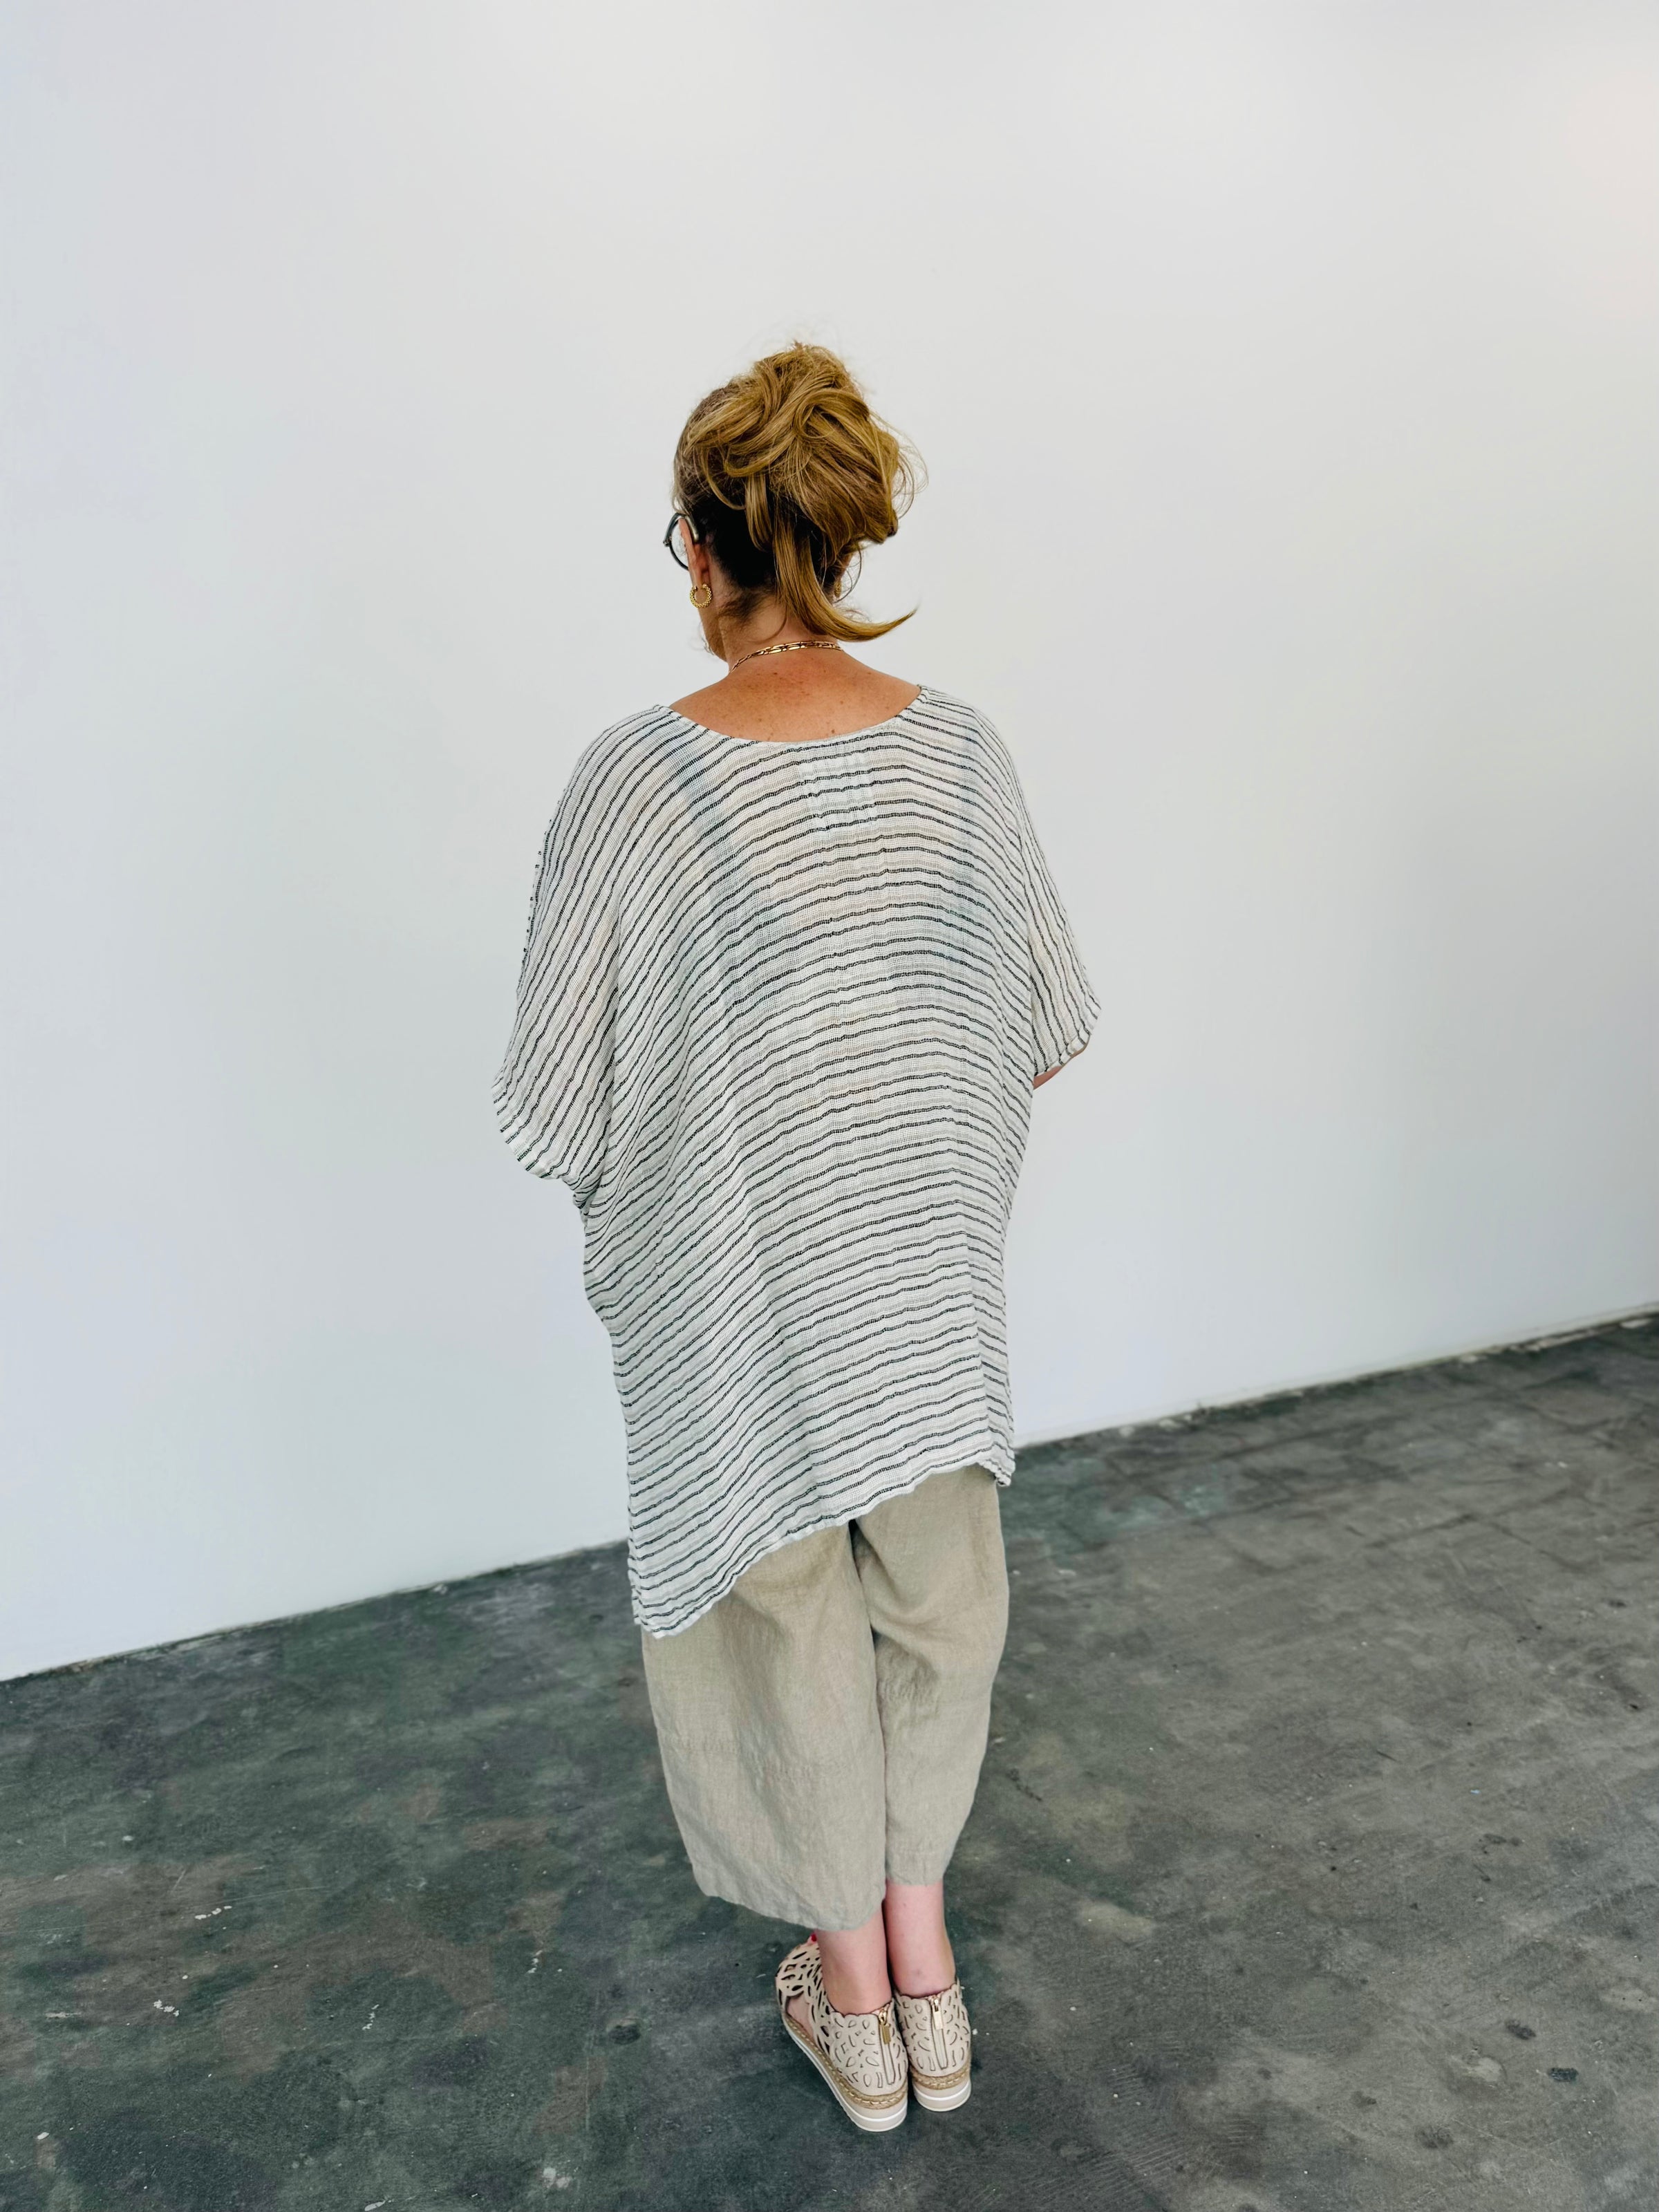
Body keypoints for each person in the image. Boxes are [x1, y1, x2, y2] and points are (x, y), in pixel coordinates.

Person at [495, 342, 1096, 2131]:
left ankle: (852, 2006)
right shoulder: (961, 755)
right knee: (938, 1607)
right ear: (841, 534)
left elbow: (556, 1098)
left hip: (741, 1302)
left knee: (786, 1624)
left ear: (702, 545)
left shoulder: (636, 785)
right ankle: (930, 1982)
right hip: (921, 1294)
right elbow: (1037, 1025)